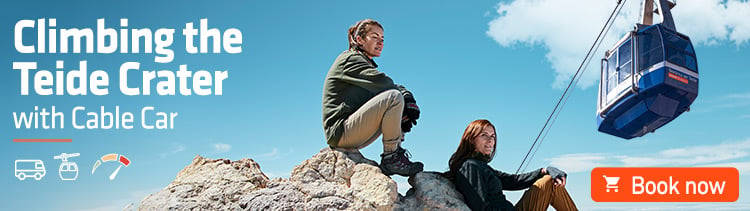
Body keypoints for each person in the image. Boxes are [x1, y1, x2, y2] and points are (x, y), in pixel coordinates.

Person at [321, 18, 423, 177]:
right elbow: (386, 84)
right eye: (374, 37)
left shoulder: (364, 65)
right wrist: (407, 97)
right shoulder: (350, 59)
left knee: (397, 102)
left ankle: (396, 152)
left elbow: (382, 90)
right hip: (340, 132)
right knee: (394, 97)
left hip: (352, 133)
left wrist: (403, 113)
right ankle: (391, 157)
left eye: (382, 39)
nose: (380, 42)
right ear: (360, 40)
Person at [446, 119, 578, 211]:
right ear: (471, 139)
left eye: (493, 136)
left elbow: (513, 181)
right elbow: (481, 208)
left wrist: (545, 170)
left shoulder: (481, 166)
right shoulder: (470, 166)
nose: (490, 140)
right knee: (549, 182)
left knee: (549, 180)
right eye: (484, 135)